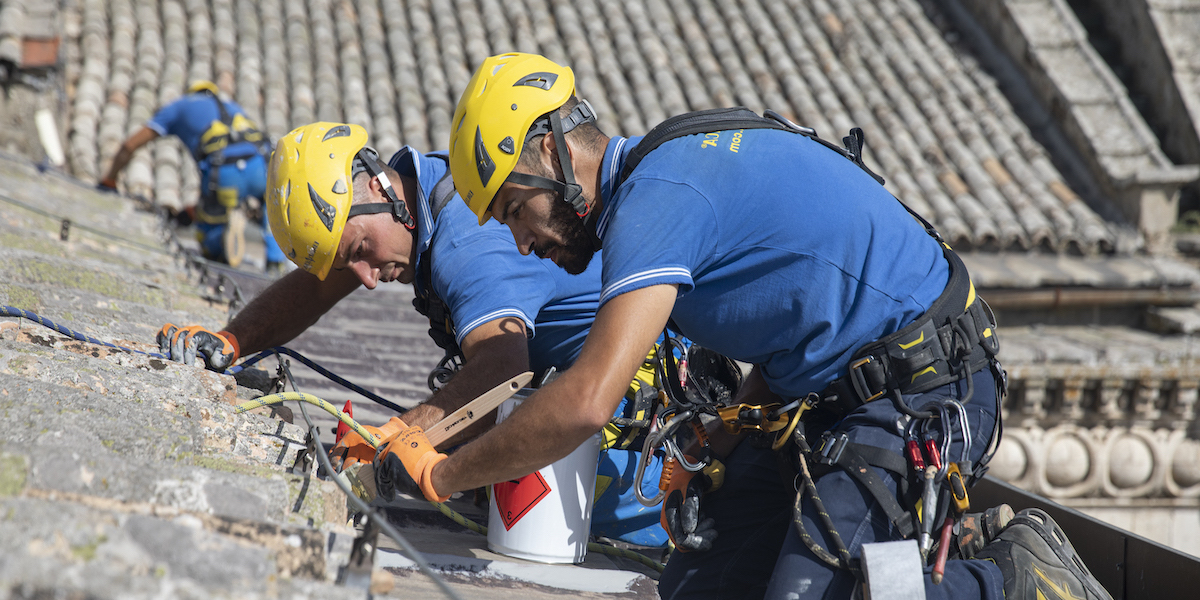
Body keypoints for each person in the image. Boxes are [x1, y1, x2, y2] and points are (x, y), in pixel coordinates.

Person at [356, 52, 1112, 600]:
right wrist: (727, 433)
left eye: (519, 213)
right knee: (701, 587)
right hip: (813, 400)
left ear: (552, 152)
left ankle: (1012, 581)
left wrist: (446, 474)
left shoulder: (655, 201)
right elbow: (785, 309)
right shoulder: (657, 185)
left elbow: (588, 399)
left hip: (921, 388)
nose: (522, 243)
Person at [154, 121, 670, 547]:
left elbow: (503, 370)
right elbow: (315, 289)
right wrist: (233, 341)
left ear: (377, 186)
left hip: (632, 445)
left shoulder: (463, 241)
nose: (368, 280)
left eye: (358, 251)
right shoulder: (419, 194)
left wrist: (394, 436)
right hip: (569, 408)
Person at [98, 80, 286, 271]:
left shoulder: (179, 106)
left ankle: (218, 257)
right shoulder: (232, 106)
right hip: (261, 167)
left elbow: (130, 146)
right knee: (272, 211)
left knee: (211, 234)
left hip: (223, 173)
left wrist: (109, 180)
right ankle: (275, 262)